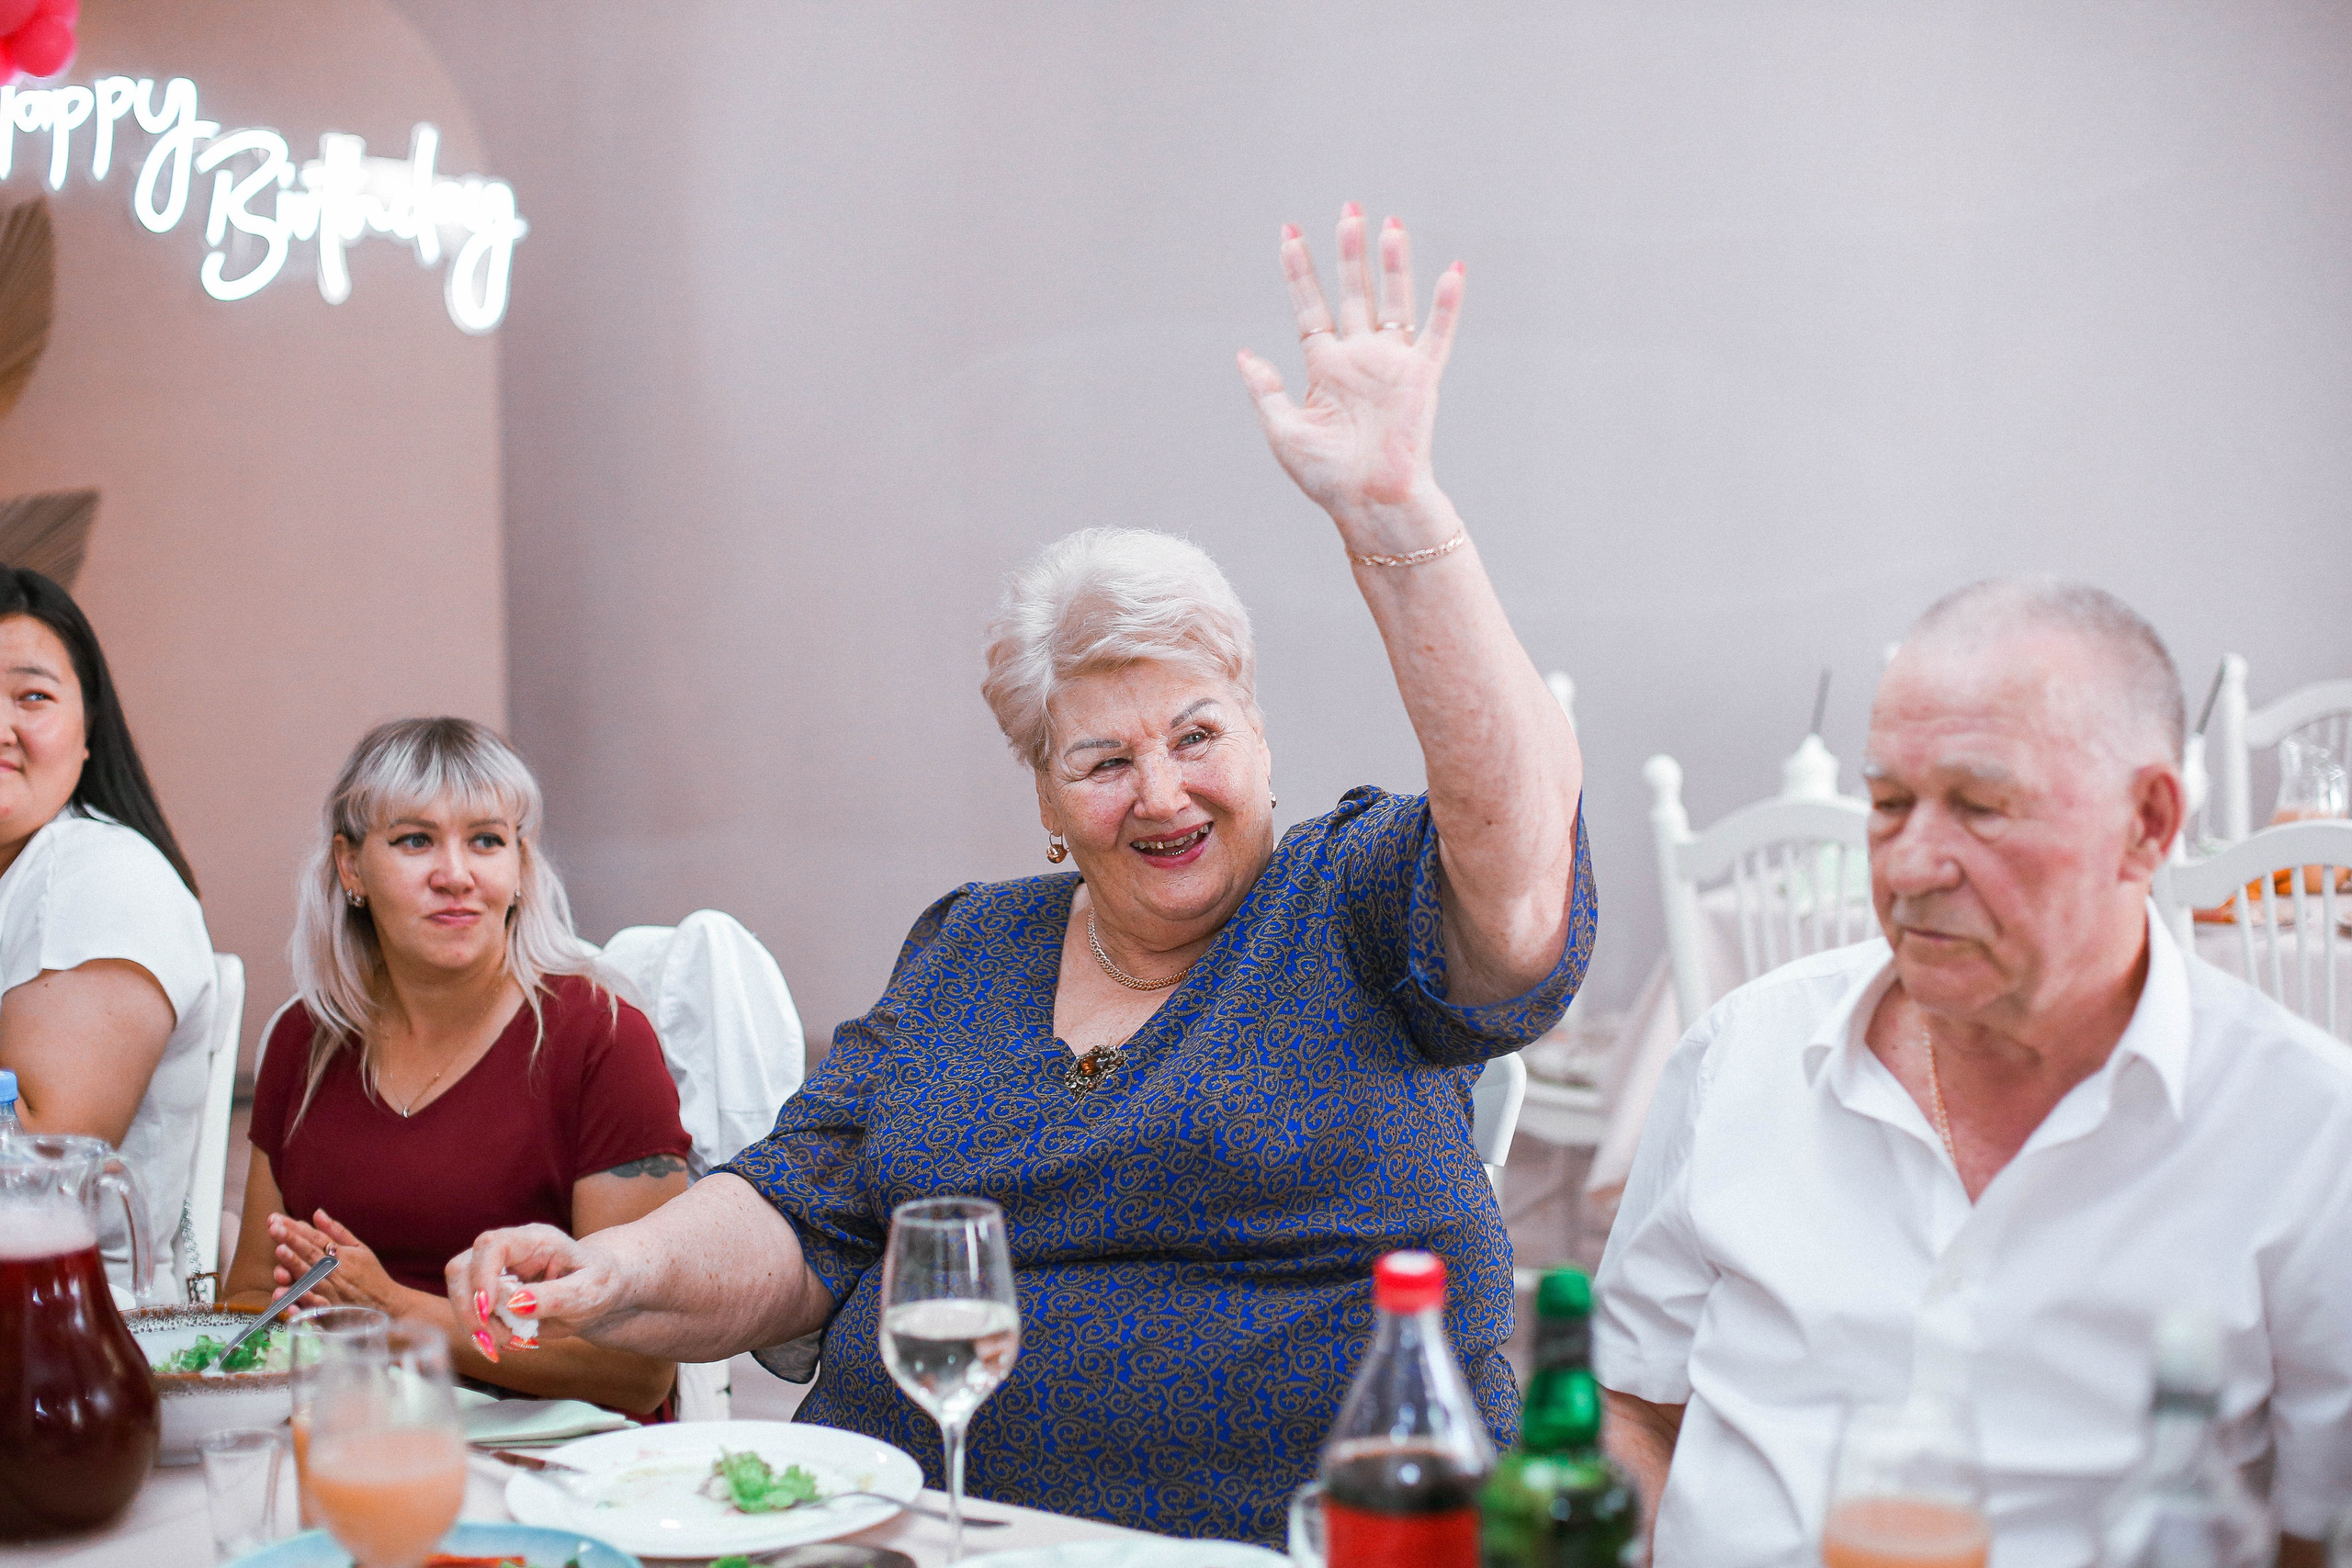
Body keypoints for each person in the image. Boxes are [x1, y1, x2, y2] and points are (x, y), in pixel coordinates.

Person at [445, 205, 1596, 1541]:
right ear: (1047, 795)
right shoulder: (972, 944)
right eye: (1103, 757)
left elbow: (1520, 877)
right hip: (898, 1524)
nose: (1160, 791)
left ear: (1262, 739)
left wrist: (1396, 516)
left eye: (1198, 734)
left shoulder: (1353, 898)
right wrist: (618, 1267)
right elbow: (798, 1209)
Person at [1592, 581, 2352, 1568]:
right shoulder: (1746, 1051)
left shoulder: (2304, 1131)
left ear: (2148, 823)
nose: (1909, 866)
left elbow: (2320, 1529)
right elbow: (1633, 1403)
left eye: (1980, 808)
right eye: (1888, 803)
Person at [222, 717, 693, 1416]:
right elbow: (251, 1301)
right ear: (350, 867)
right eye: (415, 840)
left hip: (555, 1465)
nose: (456, 875)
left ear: (520, 868)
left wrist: (389, 1312)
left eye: (486, 841)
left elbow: (635, 1368)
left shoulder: (604, 1041)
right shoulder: (304, 1039)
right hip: (349, 1434)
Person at [0, 566, 216, 1298]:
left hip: (66, 1338)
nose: (1, 726)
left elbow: (34, 1173)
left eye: (32, 696)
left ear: (87, 732)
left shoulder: (97, 879)